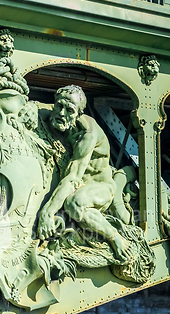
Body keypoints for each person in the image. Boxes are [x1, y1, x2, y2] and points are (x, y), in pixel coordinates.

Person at [37, 85, 133, 262]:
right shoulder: (59, 115)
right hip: (75, 183)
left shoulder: (88, 134)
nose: (61, 113)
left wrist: (47, 213)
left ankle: (115, 237)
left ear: (79, 114)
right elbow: (40, 107)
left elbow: (73, 178)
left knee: (74, 204)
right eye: (59, 106)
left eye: (69, 110)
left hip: (99, 187)